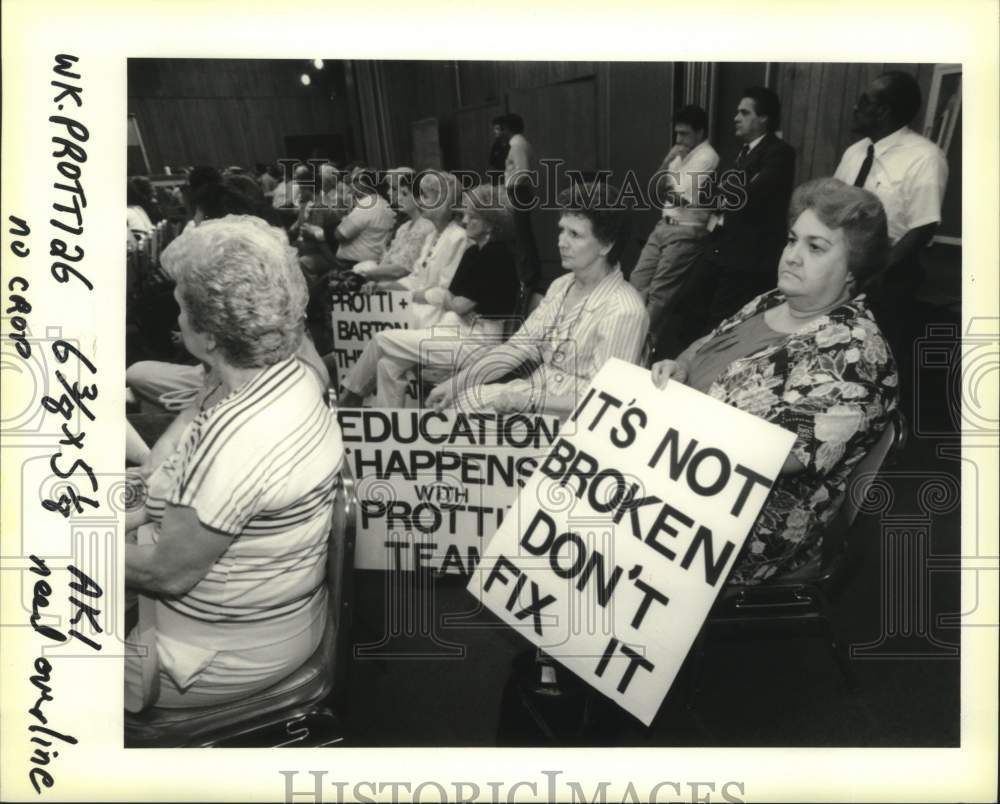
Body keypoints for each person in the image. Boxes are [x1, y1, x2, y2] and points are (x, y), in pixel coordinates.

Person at [124, 215, 344, 710]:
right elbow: (181, 437)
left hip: (213, 657)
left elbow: (166, 574)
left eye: (181, 308)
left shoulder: (235, 440)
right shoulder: (295, 368)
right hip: (276, 615)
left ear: (209, 338)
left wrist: (58, 546)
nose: (174, 321)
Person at [650, 178, 899, 584]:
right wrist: (678, 369)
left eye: (815, 247)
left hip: (732, 532)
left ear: (854, 269)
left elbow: (777, 455)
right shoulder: (771, 301)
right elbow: (701, 351)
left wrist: (673, 419)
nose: (793, 257)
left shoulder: (856, 356)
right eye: (791, 240)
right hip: (676, 480)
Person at [427, 181, 649, 416]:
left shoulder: (624, 310)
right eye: (562, 230)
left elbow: (605, 398)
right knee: (449, 408)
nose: (561, 241)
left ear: (606, 245)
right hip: (530, 394)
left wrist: (526, 400)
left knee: (457, 422)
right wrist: (457, 384)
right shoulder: (561, 286)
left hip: (570, 423)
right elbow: (517, 347)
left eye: (574, 234)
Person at [339, 183, 519, 408]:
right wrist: (450, 301)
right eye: (465, 215)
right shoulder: (474, 251)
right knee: (388, 365)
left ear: (490, 222)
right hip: (457, 329)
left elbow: (459, 304)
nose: (464, 221)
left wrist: (450, 301)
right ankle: (391, 425)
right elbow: (452, 299)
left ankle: (349, 398)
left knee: (382, 339)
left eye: (471, 217)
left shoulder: (498, 255)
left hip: (479, 343)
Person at [833, 70, 948, 392]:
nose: (855, 108)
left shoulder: (925, 157)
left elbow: (923, 226)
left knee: (879, 359)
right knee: (840, 352)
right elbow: (836, 206)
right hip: (846, 269)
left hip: (890, 273)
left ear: (883, 111)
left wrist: (877, 271)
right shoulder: (856, 152)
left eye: (863, 102)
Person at [670, 87, 796, 352]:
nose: (736, 118)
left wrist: (727, 192)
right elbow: (705, 192)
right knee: (687, 303)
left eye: (744, 112)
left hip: (748, 255)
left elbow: (753, 195)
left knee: (721, 318)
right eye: (737, 112)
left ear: (764, 119)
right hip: (719, 244)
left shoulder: (779, 153)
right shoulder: (738, 153)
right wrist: (729, 192)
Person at [629, 104, 719, 340]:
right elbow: (656, 188)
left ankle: (640, 343)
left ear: (700, 133)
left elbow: (679, 198)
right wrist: (666, 161)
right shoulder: (679, 156)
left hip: (685, 231)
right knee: (637, 280)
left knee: (660, 293)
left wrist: (667, 186)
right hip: (664, 225)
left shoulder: (707, 156)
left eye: (685, 134)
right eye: (677, 133)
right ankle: (629, 333)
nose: (679, 139)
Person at [348, 168, 434, 282]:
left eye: (404, 194)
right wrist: (372, 277)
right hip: (385, 279)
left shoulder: (426, 227)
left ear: (418, 198)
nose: (399, 198)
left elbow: (402, 270)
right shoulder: (403, 227)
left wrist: (366, 274)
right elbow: (387, 258)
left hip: (404, 284)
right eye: (398, 193)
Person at [502, 113, 542, 297]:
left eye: (501, 128)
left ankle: (529, 276)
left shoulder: (517, 145)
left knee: (522, 234)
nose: (499, 133)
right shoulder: (517, 144)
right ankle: (529, 274)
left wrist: (511, 189)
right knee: (522, 234)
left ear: (508, 128)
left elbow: (523, 171)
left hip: (519, 191)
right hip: (518, 191)